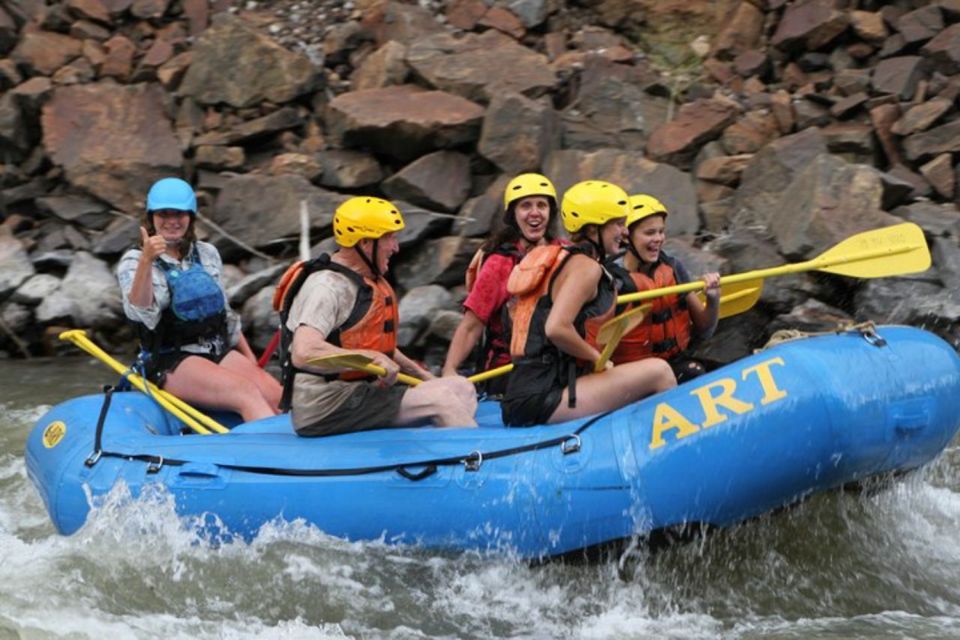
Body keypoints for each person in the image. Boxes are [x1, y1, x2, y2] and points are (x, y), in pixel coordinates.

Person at [283, 196, 478, 437]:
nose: (396, 247)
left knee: (460, 387)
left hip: (360, 393)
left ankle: (445, 454)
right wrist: (371, 358)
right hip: (325, 406)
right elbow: (304, 352)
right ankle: (474, 462)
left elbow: (378, 345)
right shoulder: (327, 287)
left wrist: (425, 378)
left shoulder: (366, 280)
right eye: (389, 237)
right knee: (443, 400)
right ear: (365, 242)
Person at [501, 180, 677, 427]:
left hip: (529, 391)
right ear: (594, 229)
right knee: (660, 372)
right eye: (617, 224)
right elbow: (556, 328)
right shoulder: (587, 268)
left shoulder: (563, 259)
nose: (625, 232)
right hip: (542, 398)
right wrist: (596, 358)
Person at [117, 177, 282, 423]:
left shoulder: (206, 254)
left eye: (179, 214)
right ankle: (274, 457)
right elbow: (140, 310)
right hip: (171, 360)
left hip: (217, 349)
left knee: (277, 395)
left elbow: (224, 314)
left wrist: (249, 359)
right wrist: (147, 260)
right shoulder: (134, 261)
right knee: (245, 393)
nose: (172, 221)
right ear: (151, 217)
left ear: (190, 217)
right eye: (164, 214)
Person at [442, 173, 564, 395]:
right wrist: (450, 369)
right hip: (510, 373)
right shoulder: (499, 264)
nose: (535, 212)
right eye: (526, 206)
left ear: (550, 212)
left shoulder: (565, 254)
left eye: (541, 205)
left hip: (557, 365)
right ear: (513, 215)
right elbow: (471, 326)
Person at [606, 194, 720, 383]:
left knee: (702, 371)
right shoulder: (610, 281)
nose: (658, 239)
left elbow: (705, 330)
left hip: (675, 363)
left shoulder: (673, 268)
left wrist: (713, 298)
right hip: (631, 377)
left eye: (661, 231)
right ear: (627, 237)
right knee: (694, 373)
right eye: (650, 233)